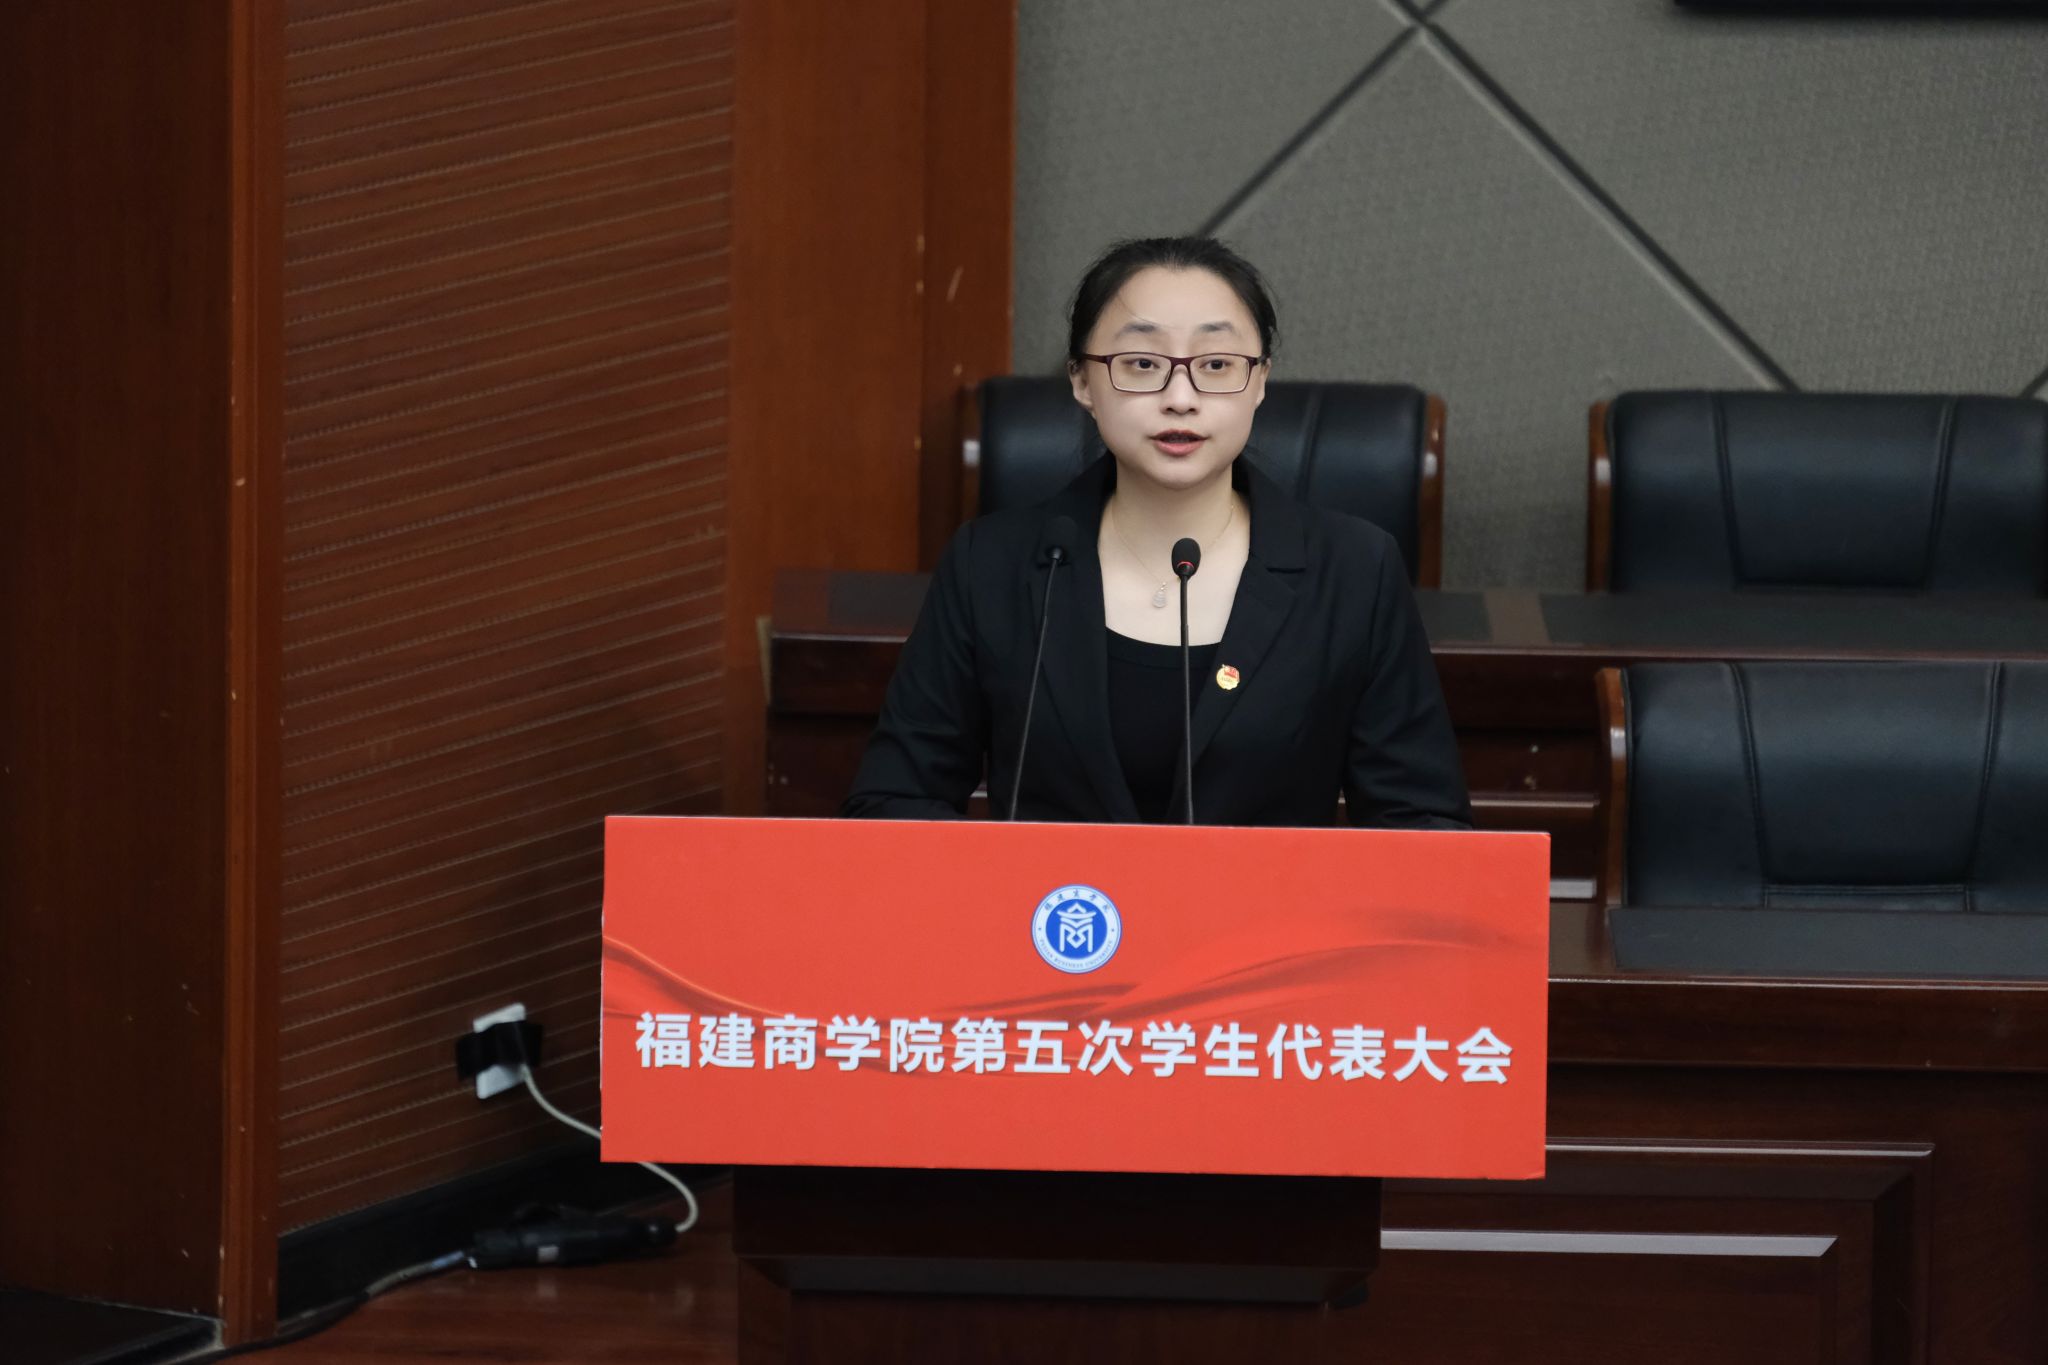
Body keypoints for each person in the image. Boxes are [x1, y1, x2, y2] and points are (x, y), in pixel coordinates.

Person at [842, 236, 1470, 828]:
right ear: (1082, 381)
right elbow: (894, 802)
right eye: (1142, 363)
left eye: (1216, 364)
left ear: (1259, 381)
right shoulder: (991, 566)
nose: (1180, 397)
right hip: (1058, 912)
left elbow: (1423, 824)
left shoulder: (1355, 572)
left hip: (1272, 914)